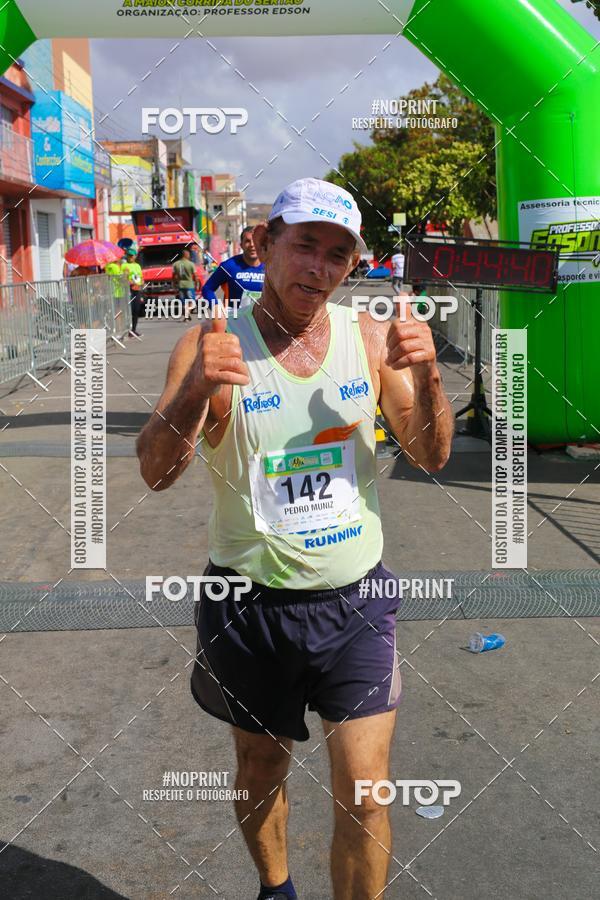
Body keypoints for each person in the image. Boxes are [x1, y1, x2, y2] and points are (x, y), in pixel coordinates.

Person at [136, 177, 453, 900]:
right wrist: (194, 393)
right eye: (304, 244)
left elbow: (431, 454)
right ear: (262, 243)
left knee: (368, 793)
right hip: (249, 607)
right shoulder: (212, 344)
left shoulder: (370, 342)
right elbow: (156, 472)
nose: (318, 266)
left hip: (357, 605)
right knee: (259, 770)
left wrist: (430, 374)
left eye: (337, 254)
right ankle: (275, 889)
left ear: (352, 268)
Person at [201, 225, 265, 312]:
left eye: (255, 241)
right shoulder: (229, 266)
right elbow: (207, 289)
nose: (252, 245)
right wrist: (216, 309)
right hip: (235, 321)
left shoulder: (271, 266)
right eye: (247, 241)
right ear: (241, 245)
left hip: (262, 322)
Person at [121, 246, 145, 338]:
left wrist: (141, 282)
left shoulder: (137, 266)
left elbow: (141, 277)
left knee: (136, 310)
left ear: (135, 256)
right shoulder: (124, 266)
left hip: (137, 290)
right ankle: (127, 329)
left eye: (132, 256)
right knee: (129, 310)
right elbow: (122, 278)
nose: (130, 257)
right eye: (129, 256)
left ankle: (133, 330)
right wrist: (129, 282)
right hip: (129, 290)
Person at [172, 247, 199, 322]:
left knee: (183, 302)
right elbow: (195, 276)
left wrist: (174, 285)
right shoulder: (191, 264)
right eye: (189, 255)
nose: (189, 256)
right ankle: (187, 315)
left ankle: (186, 315)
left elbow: (173, 276)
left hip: (181, 285)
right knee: (191, 302)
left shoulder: (176, 264)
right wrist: (197, 284)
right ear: (186, 255)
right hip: (189, 285)